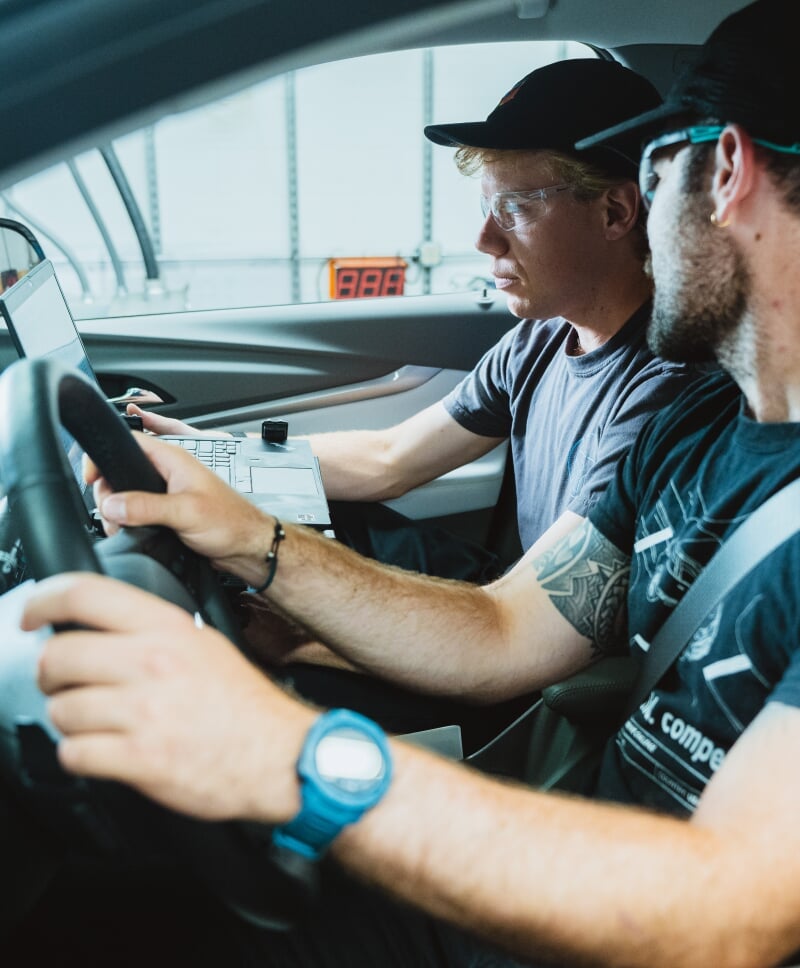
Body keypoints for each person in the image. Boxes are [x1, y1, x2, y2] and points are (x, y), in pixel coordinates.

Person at [19, 0, 800, 963]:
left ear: (722, 171)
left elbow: (731, 916)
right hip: (567, 857)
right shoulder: (696, 438)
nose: (644, 213)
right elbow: (505, 627)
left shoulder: (679, 410)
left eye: (654, 168)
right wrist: (254, 540)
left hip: (620, 916)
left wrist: (285, 754)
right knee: (114, 901)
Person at [131, 58, 695, 586]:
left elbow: (534, 627)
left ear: (615, 212)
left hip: (537, 640)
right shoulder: (539, 341)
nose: (483, 239)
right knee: (316, 513)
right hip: (510, 605)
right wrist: (215, 456)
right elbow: (390, 460)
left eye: (516, 208)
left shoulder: (664, 388)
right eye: (486, 207)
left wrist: (301, 640)